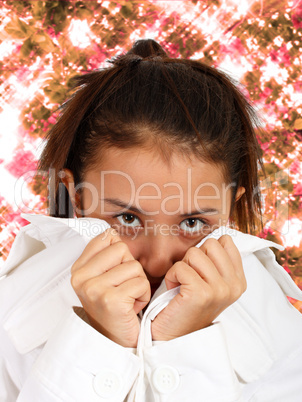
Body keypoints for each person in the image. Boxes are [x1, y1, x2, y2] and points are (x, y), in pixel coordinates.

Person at [0, 39, 302, 401]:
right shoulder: (13, 313)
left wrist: (186, 341)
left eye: (192, 222)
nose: (158, 259)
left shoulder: (283, 338)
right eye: (127, 217)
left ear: (231, 209)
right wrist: (98, 337)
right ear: (76, 196)